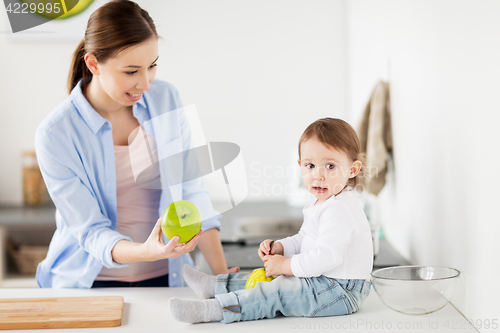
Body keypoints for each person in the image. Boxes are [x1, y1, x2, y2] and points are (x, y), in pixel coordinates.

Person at [35, 0, 238, 289]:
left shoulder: (166, 98)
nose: (145, 83)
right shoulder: (55, 134)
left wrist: (222, 277)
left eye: (152, 66)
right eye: (131, 72)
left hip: (168, 278)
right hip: (89, 284)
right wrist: (146, 251)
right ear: (93, 64)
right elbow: (91, 231)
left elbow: (191, 191)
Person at [169, 118, 374, 324]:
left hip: (341, 291)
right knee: (261, 277)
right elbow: (305, 237)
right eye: (310, 165)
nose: (318, 175)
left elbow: (326, 257)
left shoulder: (340, 209)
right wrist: (281, 247)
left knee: (276, 290)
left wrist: (285, 266)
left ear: (353, 170)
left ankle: (215, 310)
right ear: (300, 166)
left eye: (330, 166)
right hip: (322, 280)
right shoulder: (321, 201)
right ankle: (214, 286)